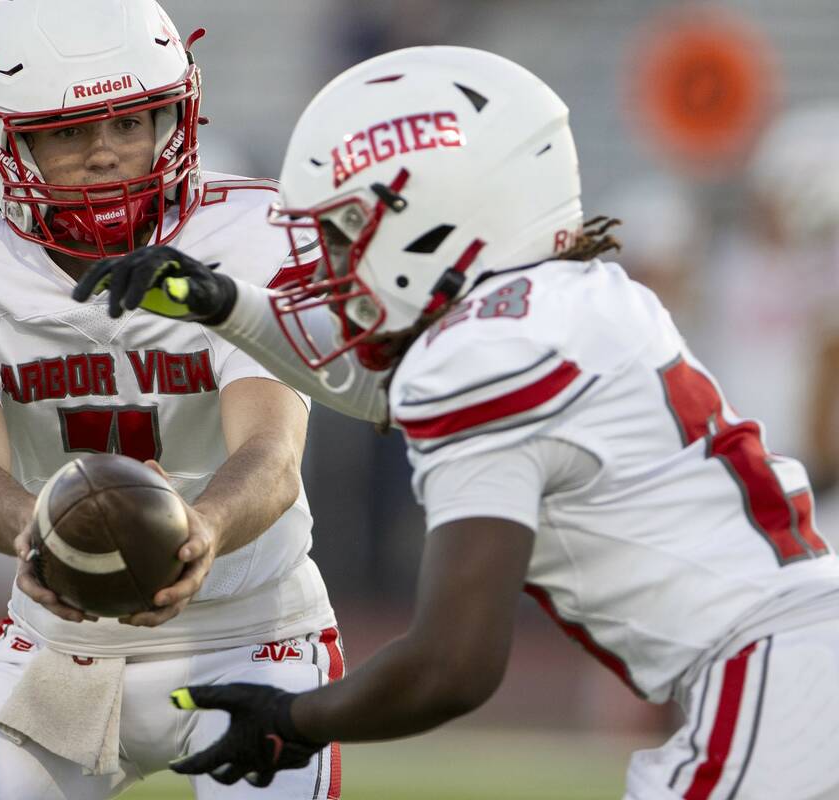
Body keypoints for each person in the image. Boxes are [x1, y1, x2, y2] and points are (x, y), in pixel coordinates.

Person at [76, 47, 839, 798]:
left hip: (777, 684)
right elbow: (386, 387)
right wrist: (225, 303)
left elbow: (452, 667)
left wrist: (290, 718)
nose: (329, 265)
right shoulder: (577, 294)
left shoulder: (482, 358)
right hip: (802, 653)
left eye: (343, 233)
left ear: (433, 220)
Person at [0, 1, 341, 798]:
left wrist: (204, 529)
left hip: (252, 633)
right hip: (64, 641)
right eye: (65, 132)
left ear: (177, 115)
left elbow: (272, 452)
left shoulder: (259, 234)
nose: (106, 156)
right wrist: (36, 531)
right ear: (1, 141)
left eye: (131, 123)